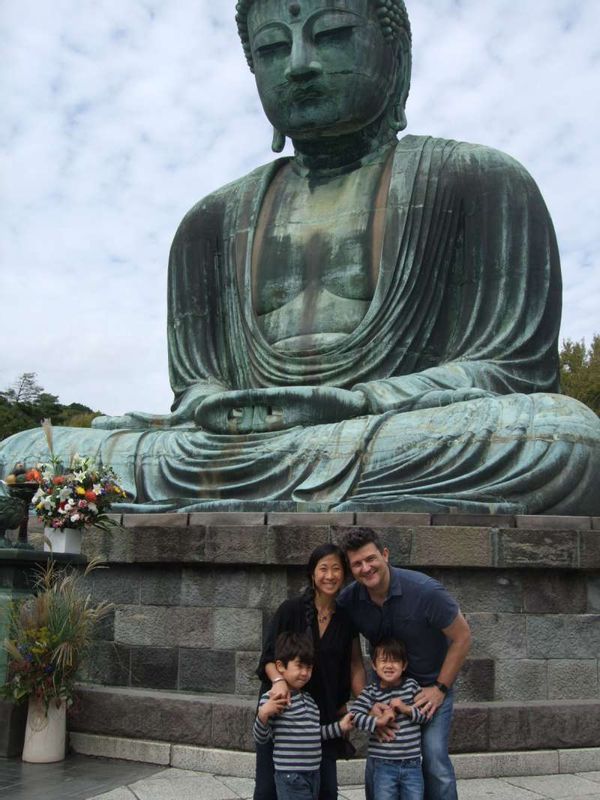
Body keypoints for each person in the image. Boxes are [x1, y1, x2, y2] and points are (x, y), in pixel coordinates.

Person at [1, 0, 599, 516]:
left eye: (332, 34)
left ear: (395, 54)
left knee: (562, 439)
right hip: (226, 449)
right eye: (271, 47)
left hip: (389, 431)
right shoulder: (209, 222)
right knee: (26, 454)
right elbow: (195, 390)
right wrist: (215, 408)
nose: (300, 65)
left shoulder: (477, 179)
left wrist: (364, 400)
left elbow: (507, 372)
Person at [337, 528, 471, 800]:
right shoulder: (349, 601)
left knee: (434, 757)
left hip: (430, 688)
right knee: (377, 757)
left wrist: (440, 688)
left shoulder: (425, 591)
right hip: (384, 691)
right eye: (357, 564)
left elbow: (463, 637)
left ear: (385, 555)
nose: (366, 568)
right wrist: (369, 701)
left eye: (370, 559)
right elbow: (354, 662)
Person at [254, 543, 365, 800]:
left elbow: (355, 664)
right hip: (284, 714)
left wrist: (365, 702)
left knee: (325, 790)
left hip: (323, 715)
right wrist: (279, 681)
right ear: (312, 574)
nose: (330, 575)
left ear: (345, 575)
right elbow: (268, 657)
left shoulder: (346, 619)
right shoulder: (290, 610)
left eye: (336, 569)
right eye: (323, 568)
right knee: (269, 790)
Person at [253, 631, 354, 800]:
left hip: (313, 774)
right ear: (281, 666)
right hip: (290, 776)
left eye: (309, 667)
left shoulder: (309, 700)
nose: (305, 673)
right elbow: (261, 738)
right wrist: (263, 714)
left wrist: (340, 727)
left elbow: (315, 733)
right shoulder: (274, 699)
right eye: (299, 666)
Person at [352, 638, 427, 800]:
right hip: (383, 764)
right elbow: (354, 717)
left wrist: (406, 709)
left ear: (404, 665)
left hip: (412, 764)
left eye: (395, 661)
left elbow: (425, 715)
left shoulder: (412, 686)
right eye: (383, 661)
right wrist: (377, 722)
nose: (389, 665)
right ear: (374, 665)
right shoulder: (371, 692)